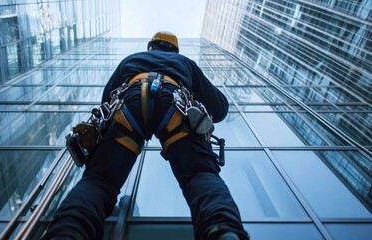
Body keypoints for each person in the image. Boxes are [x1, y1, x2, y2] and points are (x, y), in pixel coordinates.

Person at [42, 31, 249, 240]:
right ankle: (223, 232)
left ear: (151, 46)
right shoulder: (184, 63)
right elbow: (220, 109)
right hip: (176, 104)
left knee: (99, 181)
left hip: (128, 103)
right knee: (200, 174)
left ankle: (67, 233)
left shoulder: (131, 60)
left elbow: (106, 99)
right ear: (174, 49)